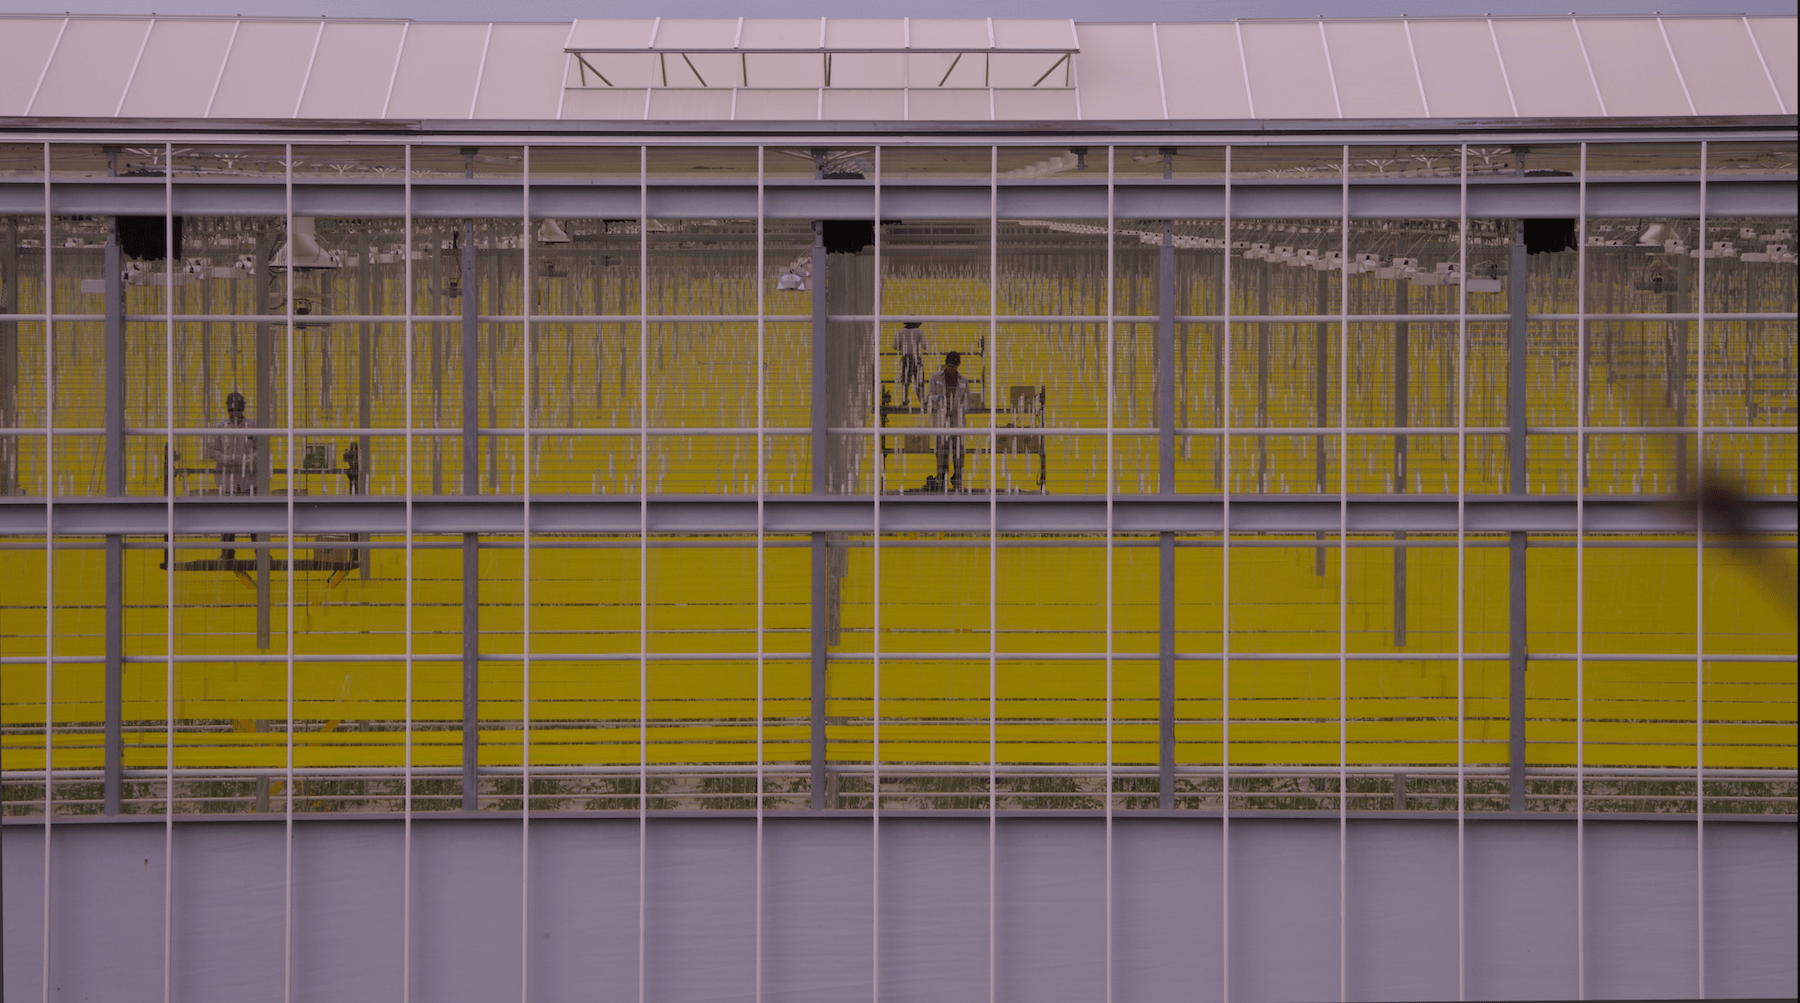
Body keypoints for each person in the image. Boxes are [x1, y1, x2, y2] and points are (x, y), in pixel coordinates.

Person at [204, 391, 258, 559]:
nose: (235, 414)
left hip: (249, 480)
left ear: (244, 408)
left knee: (254, 517)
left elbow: (262, 449)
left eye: (238, 410)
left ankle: (260, 552)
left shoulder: (254, 426)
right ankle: (227, 553)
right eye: (232, 411)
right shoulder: (219, 428)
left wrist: (247, 459)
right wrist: (228, 459)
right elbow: (212, 451)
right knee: (227, 517)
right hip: (227, 480)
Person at [925, 351, 970, 492]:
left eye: (954, 367)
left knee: (959, 450)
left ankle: (956, 479)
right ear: (945, 364)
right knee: (941, 449)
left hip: (957, 418)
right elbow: (929, 396)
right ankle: (942, 478)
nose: (951, 369)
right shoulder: (936, 377)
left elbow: (967, 399)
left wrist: (964, 408)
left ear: (958, 365)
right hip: (941, 417)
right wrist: (936, 398)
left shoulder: (963, 380)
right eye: (949, 366)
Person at [893, 321, 928, 406]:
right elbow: (925, 346)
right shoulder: (919, 332)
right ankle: (922, 401)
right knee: (919, 381)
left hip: (905, 358)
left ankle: (904, 400)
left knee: (905, 381)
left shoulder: (900, 332)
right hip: (916, 358)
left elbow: (895, 346)